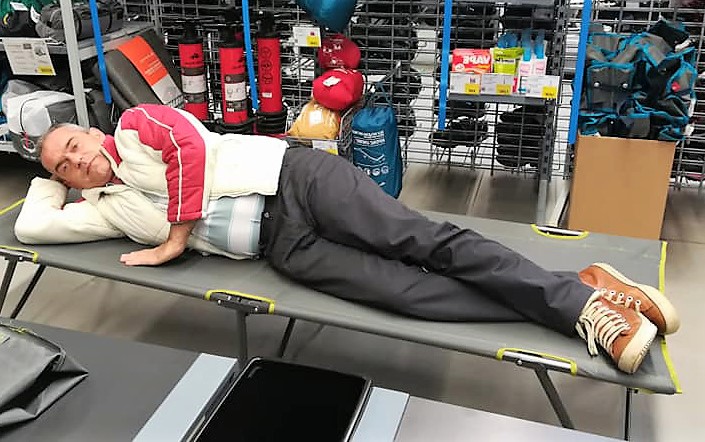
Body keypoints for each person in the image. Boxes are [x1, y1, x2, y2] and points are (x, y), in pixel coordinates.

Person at [15, 104, 679, 374]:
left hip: (297, 182)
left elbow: (187, 146)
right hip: (282, 248)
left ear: (91, 130)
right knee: (407, 296)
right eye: (63, 166)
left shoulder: (135, 127)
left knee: (424, 242)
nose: (75, 161)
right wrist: (45, 175)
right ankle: (583, 290)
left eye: (73, 144)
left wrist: (174, 239)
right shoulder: (105, 208)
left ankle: (579, 310)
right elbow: (31, 226)